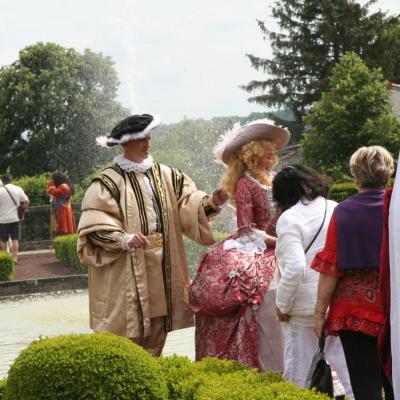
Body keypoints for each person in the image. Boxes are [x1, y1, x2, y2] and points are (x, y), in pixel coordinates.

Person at [77, 114, 228, 356]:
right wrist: (124, 239)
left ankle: (151, 373)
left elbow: (187, 204)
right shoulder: (107, 181)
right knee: (128, 329)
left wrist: (212, 202)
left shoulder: (167, 175)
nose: (148, 143)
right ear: (126, 143)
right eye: (141, 139)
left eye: (149, 137)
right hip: (127, 267)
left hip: (163, 265)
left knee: (159, 320)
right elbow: (94, 224)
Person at [192, 119, 288, 370]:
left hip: (287, 241)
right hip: (258, 246)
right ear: (250, 152)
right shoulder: (246, 183)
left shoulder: (278, 178)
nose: (272, 150)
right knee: (264, 293)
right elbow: (246, 229)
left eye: (272, 147)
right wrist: (276, 241)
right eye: (264, 146)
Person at [312, 146, 395, 399]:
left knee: (364, 386)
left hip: (354, 312)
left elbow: (331, 268)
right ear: (388, 173)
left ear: (356, 175)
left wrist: (319, 313)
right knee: (396, 382)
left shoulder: (344, 212)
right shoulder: (396, 207)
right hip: (393, 307)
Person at [273, 165, 353, 398]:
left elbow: (296, 267)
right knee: (349, 373)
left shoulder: (289, 219)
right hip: (338, 300)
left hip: (304, 309)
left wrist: (282, 305)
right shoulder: (336, 208)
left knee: (299, 377)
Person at [0, 174, 30, 263]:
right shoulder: (18, 189)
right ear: (11, 180)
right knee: (15, 239)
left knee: (3, 240)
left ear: (3, 181)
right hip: (15, 219)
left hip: (2, 219)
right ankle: (14, 258)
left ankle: (6, 259)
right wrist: (23, 210)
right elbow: (26, 201)